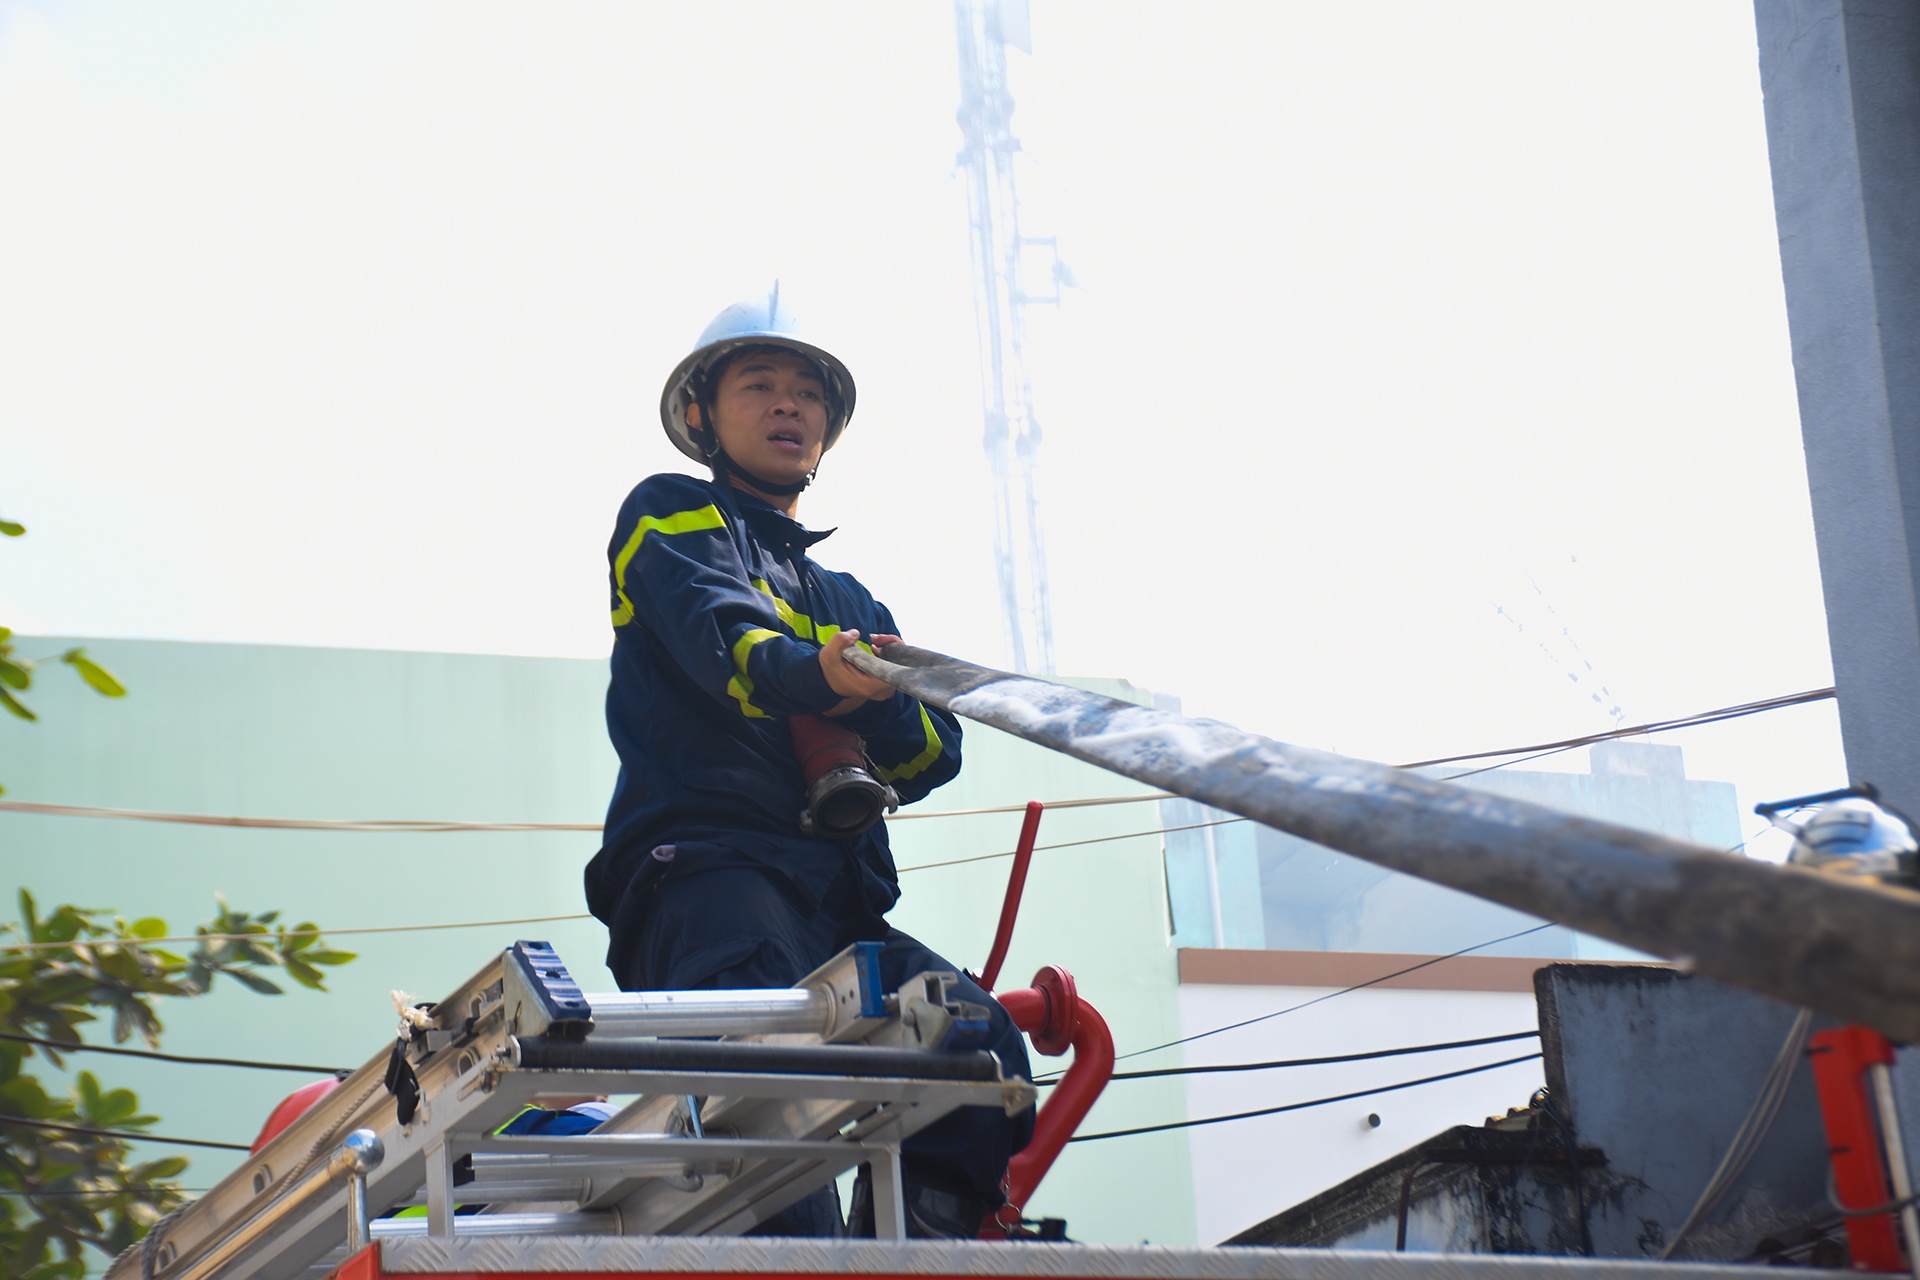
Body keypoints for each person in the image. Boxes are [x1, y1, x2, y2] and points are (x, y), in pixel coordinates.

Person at [583, 288, 1035, 1237]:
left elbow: (933, 752)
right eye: (759, 385)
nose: (789, 406)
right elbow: (731, 648)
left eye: (807, 394)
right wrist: (818, 678)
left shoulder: (845, 592)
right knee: (775, 1116)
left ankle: (912, 1259)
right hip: (711, 880)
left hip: (833, 903)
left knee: (981, 1050)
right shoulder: (667, 517)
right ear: (700, 415)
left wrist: (871, 699)